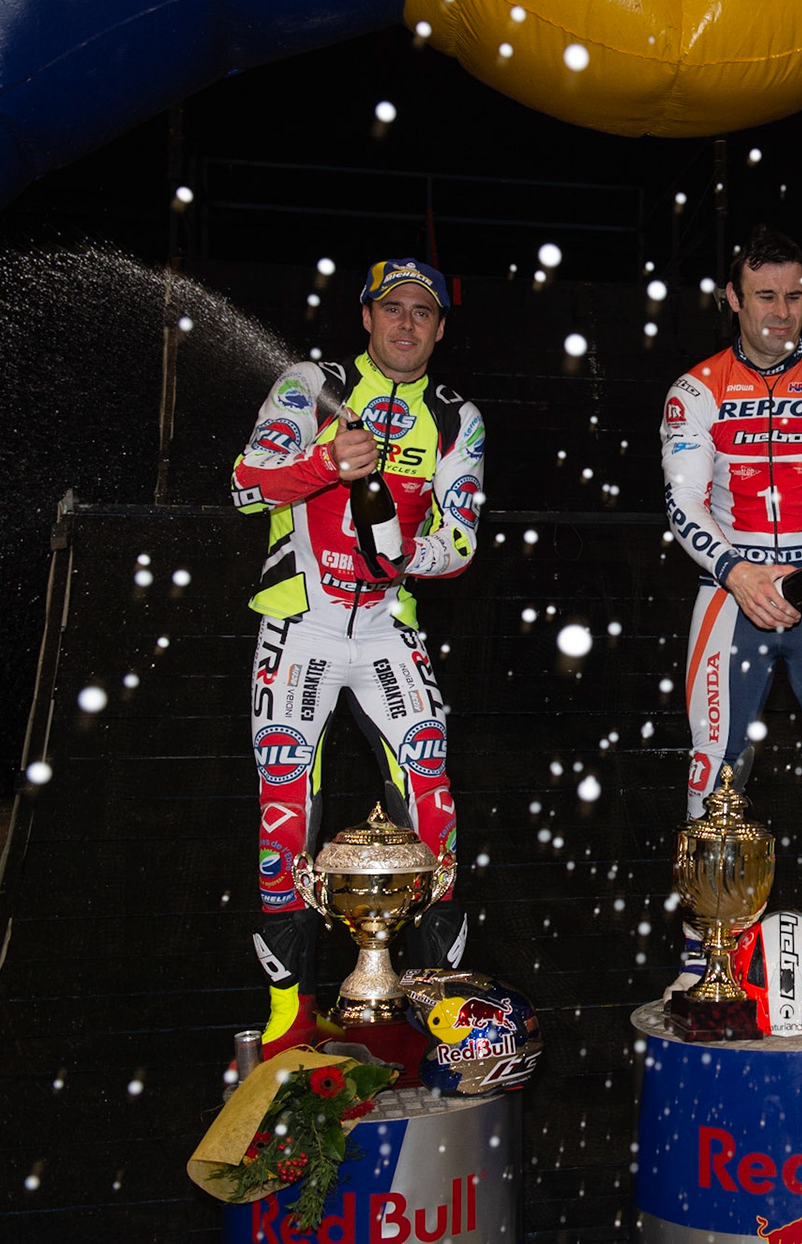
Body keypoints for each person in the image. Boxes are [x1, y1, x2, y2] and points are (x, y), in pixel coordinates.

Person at [231, 258, 486, 1058]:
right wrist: (322, 467)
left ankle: (437, 1007)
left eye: (423, 312)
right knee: (285, 812)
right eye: (392, 309)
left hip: (384, 625)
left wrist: (407, 552)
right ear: (367, 317)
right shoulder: (315, 384)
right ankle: (286, 1017)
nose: (407, 324)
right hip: (299, 623)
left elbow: (464, 542)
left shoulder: (456, 417)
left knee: (434, 803)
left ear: (441, 329)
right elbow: (244, 486)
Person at [660, 226, 802, 987]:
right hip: (729, 591)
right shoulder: (694, 390)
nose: (781, 312)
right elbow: (684, 501)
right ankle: (706, 962)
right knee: (712, 774)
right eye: (765, 296)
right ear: (732, 298)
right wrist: (736, 570)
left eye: (794, 296)